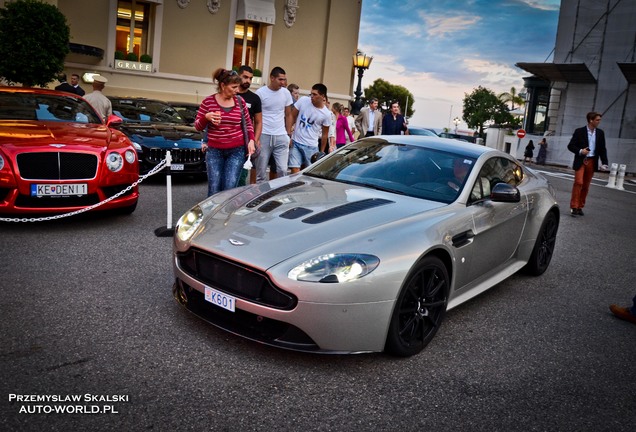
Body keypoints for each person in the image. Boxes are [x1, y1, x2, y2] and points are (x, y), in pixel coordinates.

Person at [195, 68, 255, 197]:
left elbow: (248, 124)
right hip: (214, 151)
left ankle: (225, 216)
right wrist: (206, 117)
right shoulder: (208, 102)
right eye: (233, 87)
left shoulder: (240, 101)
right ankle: (212, 216)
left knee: (230, 188)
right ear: (223, 85)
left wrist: (251, 140)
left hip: (236, 151)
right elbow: (198, 127)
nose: (237, 91)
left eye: (237, 87)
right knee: (214, 188)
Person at [255, 66, 294, 182]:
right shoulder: (260, 93)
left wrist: (288, 134)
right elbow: (256, 117)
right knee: (261, 172)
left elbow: (288, 115)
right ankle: (259, 196)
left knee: (282, 169)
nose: (283, 82)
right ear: (272, 78)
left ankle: (280, 196)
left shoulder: (286, 93)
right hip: (264, 135)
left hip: (281, 135)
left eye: (284, 80)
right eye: (280, 79)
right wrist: (256, 137)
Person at [567, 111, 609, 216]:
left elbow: (602, 149)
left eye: (599, 120)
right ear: (591, 120)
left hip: (592, 161)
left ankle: (580, 206)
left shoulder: (600, 133)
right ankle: (574, 206)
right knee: (578, 183)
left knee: (585, 185)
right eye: (597, 120)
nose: (599, 122)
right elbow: (570, 146)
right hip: (581, 160)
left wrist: (604, 162)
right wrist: (581, 151)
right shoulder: (579, 131)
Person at [288, 83, 331, 174]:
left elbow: (324, 135)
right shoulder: (303, 100)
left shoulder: (326, 114)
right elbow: (292, 115)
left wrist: (322, 152)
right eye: (311, 94)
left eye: (315, 94)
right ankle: (295, 187)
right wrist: (288, 134)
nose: (312, 96)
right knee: (294, 169)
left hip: (311, 146)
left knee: (309, 173)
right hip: (296, 142)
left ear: (322, 96)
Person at [235, 65, 262, 186]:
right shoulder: (231, 94)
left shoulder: (255, 98)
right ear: (238, 76)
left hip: (245, 143)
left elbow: (258, 121)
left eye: (250, 78)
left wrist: (255, 141)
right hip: (228, 140)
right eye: (245, 77)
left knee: (241, 176)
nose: (248, 81)